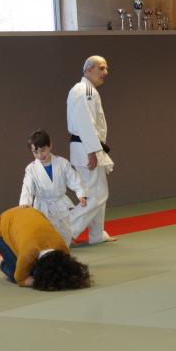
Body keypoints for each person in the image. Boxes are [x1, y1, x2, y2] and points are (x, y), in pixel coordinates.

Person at [67, 55, 116, 244]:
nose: (105, 72)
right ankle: (65, 231)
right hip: (86, 147)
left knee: (96, 190)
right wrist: (92, 151)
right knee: (97, 193)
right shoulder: (84, 90)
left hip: (88, 146)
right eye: (101, 68)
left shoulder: (86, 90)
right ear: (88, 70)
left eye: (106, 68)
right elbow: (85, 122)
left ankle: (96, 234)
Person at [0, 206, 92, 290]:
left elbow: (66, 267)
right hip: (2, 226)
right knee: (18, 273)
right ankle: (2, 262)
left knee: (31, 270)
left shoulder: (62, 247)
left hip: (29, 214)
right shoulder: (28, 253)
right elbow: (20, 279)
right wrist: (39, 281)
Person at [19, 129, 88, 245]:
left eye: (43, 150)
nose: (40, 155)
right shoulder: (31, 169)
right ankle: (49, 254)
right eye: (35, 152)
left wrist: (81, 193)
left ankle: (63, 252)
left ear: (50, 145)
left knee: (65, 234)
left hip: (60, 204)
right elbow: (27, 186)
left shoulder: (62, 163)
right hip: (42, 207)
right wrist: (25, 202)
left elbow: (74, 179)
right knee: (44, 234)